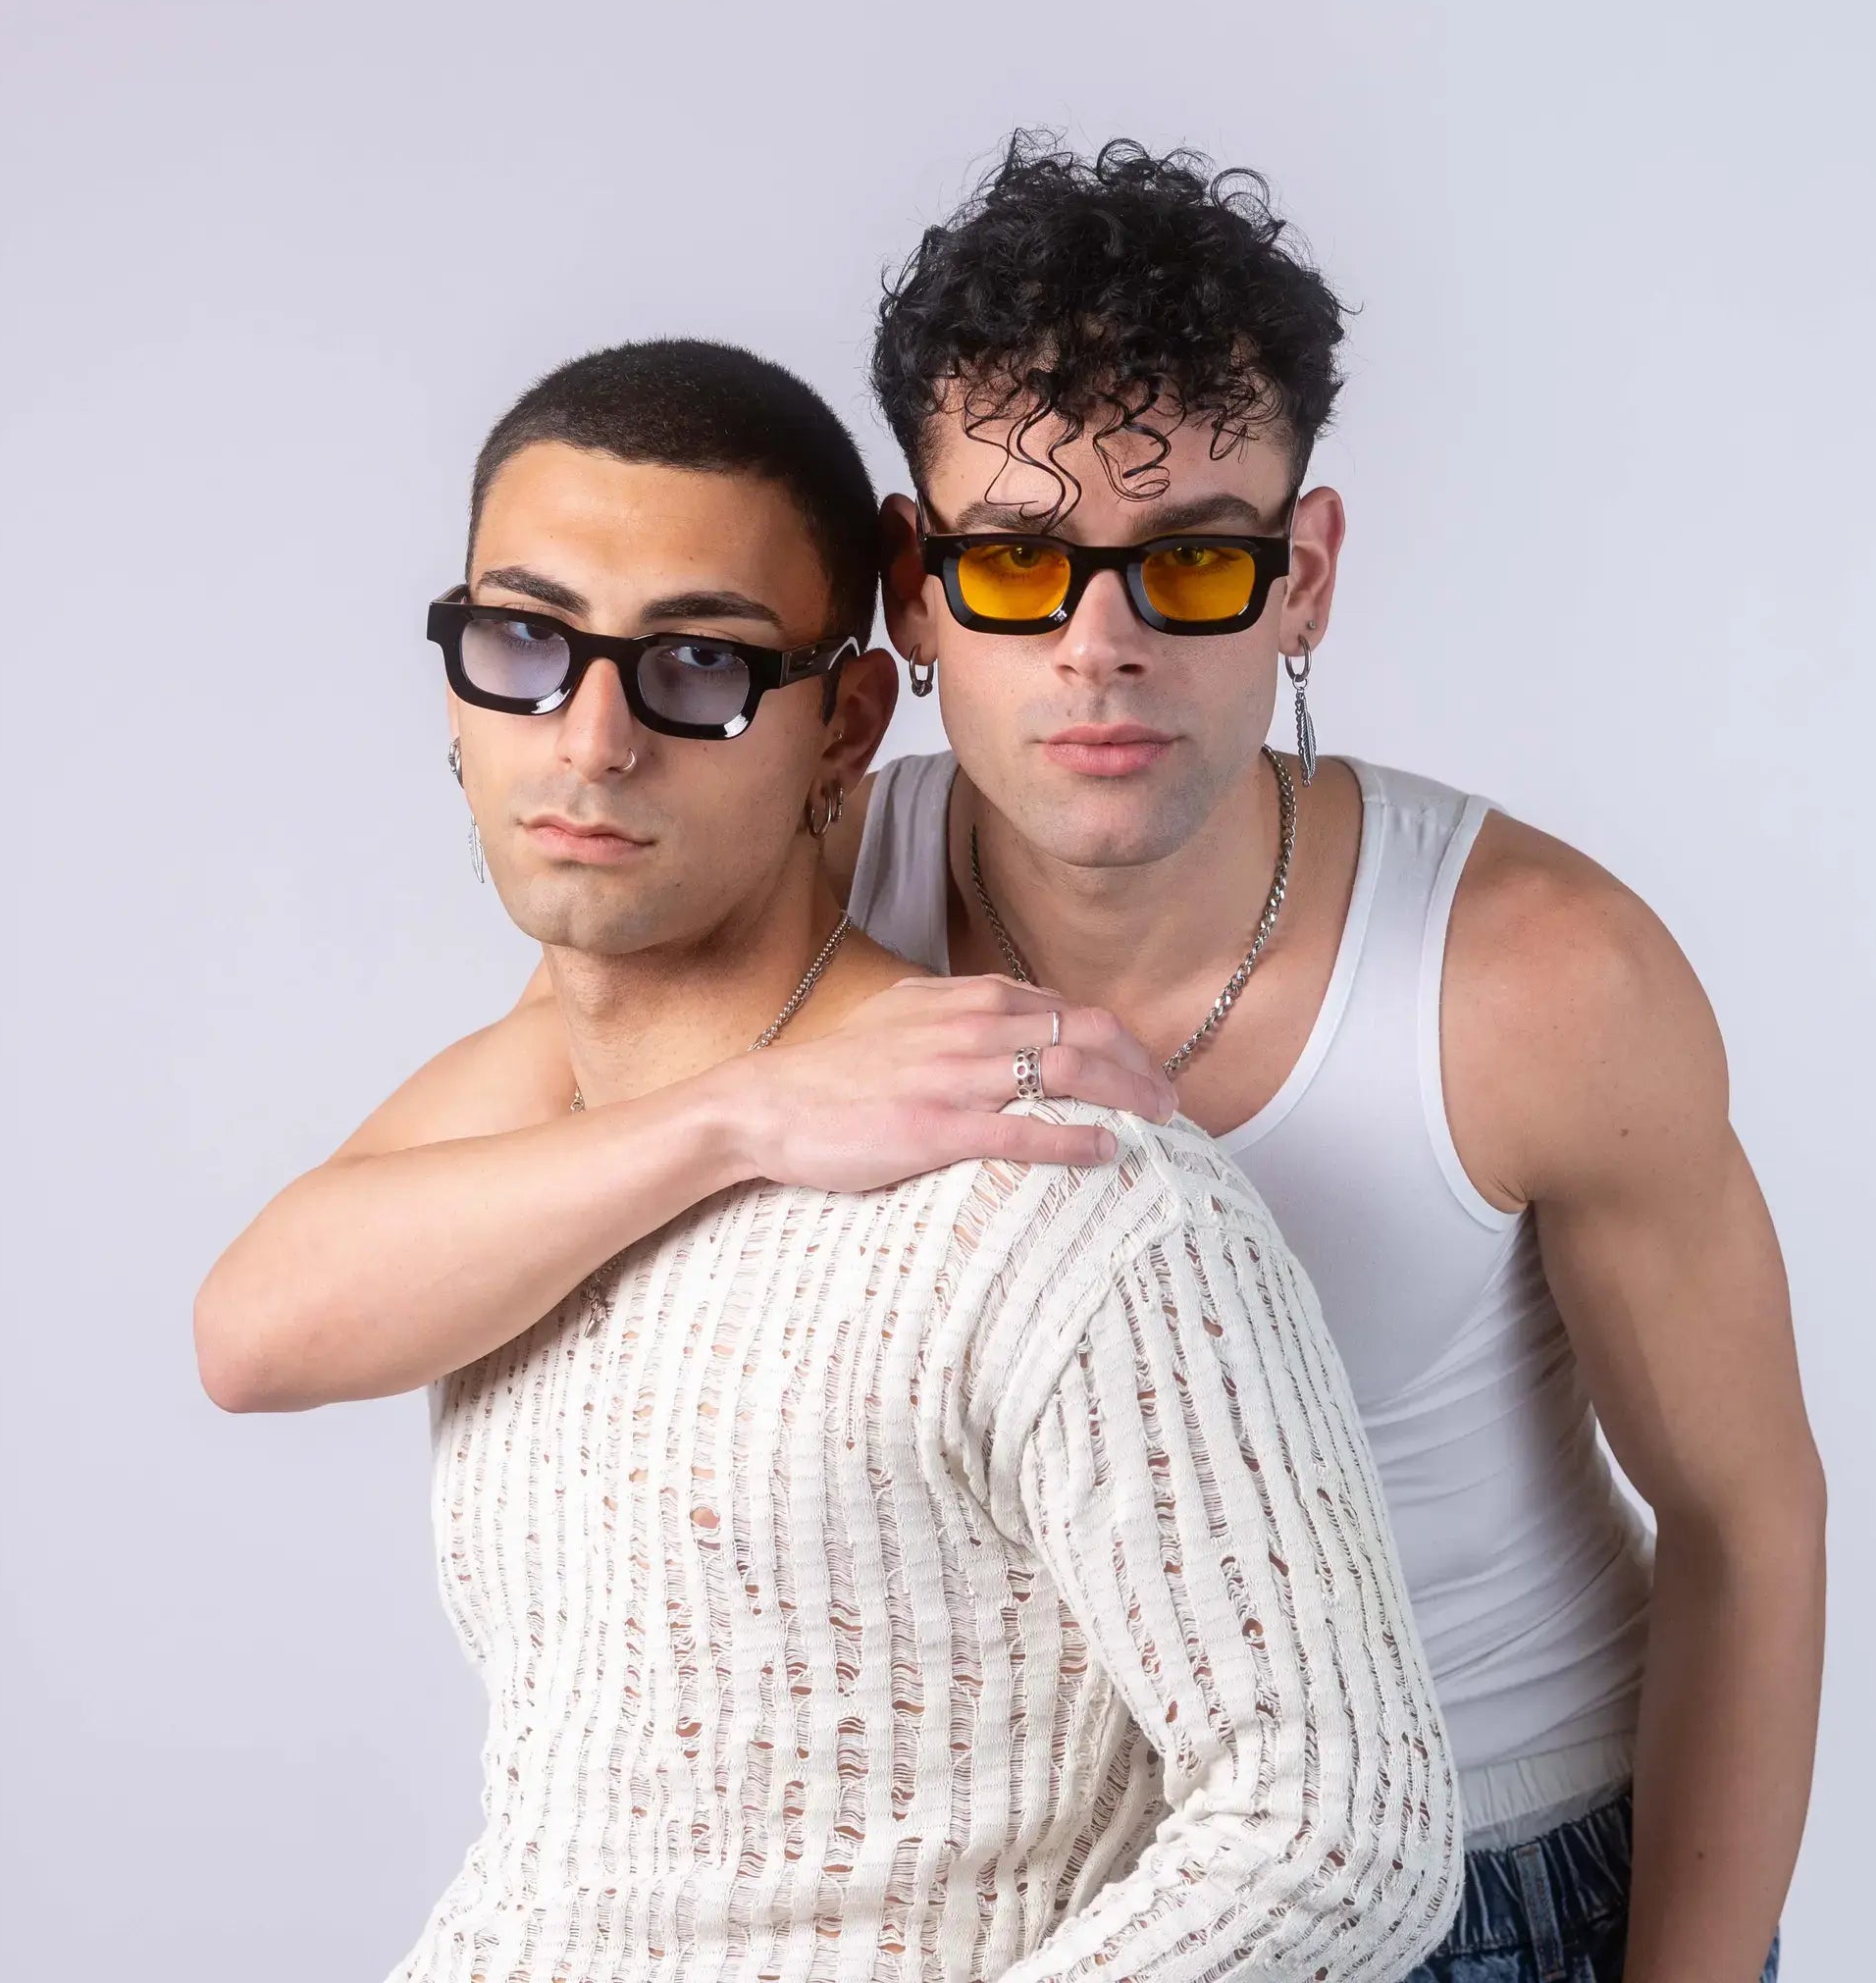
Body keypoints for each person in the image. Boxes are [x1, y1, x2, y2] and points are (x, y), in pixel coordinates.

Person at [499, 137, 1817, 1983]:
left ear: (1305, 578)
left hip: (1489, 1879)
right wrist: (735, 1109)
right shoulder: (809, 892)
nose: (1101, 646)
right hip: (1031, 1904)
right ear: (914, 583)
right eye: (1023, 560)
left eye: (1190, 561)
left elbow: (1749, 1526)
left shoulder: (1531, 978)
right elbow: (311, 1287)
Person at [195, 337, 1462, 1982]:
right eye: (525, 641)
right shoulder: (557, 1127)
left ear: (846, 720)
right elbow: (250, 1334)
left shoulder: (1054, 1188)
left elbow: (1338, 1833)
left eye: (700, 668)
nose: (590, 741)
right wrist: (740, 1120)